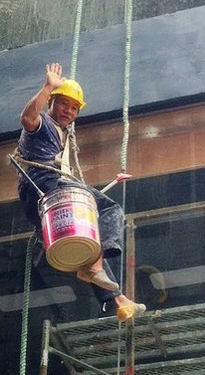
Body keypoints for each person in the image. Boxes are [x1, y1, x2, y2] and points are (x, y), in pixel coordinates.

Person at [17, 63, 146, 321]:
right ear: (52, 102)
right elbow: (28, 118)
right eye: (64, 104)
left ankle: (117, 300)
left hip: (42, 194)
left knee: (89, 239)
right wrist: (47, 87)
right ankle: (96, 265)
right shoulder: (43, 126)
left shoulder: (63, 134)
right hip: (45, 186)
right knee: (109, 209)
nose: (69, 111)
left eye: (74, 108)